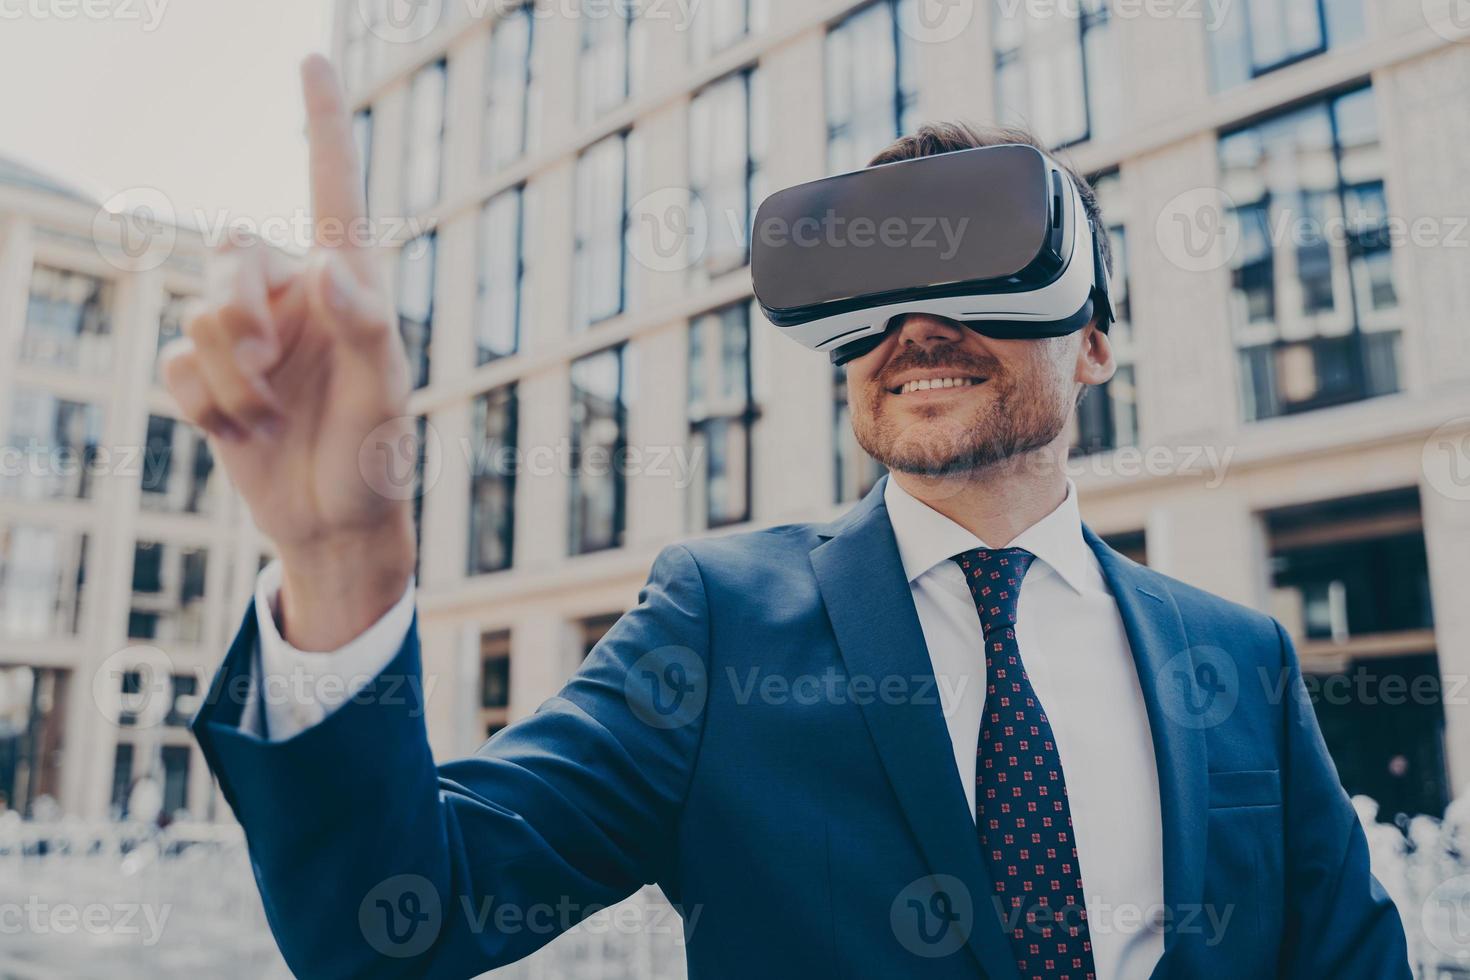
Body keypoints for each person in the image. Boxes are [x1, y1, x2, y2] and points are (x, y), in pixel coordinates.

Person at [170, 57, 1411, 979]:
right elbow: (394, 919)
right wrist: (341, 564)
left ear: (1092, 341)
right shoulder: (719, 625)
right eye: (873, 287)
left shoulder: (1240, 660)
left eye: (977, 266)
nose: (915, 326)